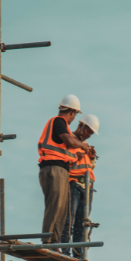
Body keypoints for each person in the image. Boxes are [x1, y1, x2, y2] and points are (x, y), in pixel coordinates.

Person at [38, 95, 90, 247]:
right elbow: (69, 141)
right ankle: (48, 241)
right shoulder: (58, 121)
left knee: (61, 209)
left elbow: (65, 149)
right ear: (73, 112)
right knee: (54, 206)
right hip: (53, 169)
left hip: (59, 169)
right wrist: (82, 146)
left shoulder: (62, 126)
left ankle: (55, 243)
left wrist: (77, 154)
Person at [61, 114, 99, 257]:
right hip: (73, 184)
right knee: (68, 219)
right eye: (88, 131)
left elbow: (90, 167)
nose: (89, 135)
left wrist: (92, 158)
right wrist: (77, 157)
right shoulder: (69, 139)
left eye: (91, 133)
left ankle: (78, 254)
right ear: (81, 126)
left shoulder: (86, 146)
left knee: (82, 223)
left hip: (87, 188)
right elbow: (64, 160)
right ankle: (65, 251)